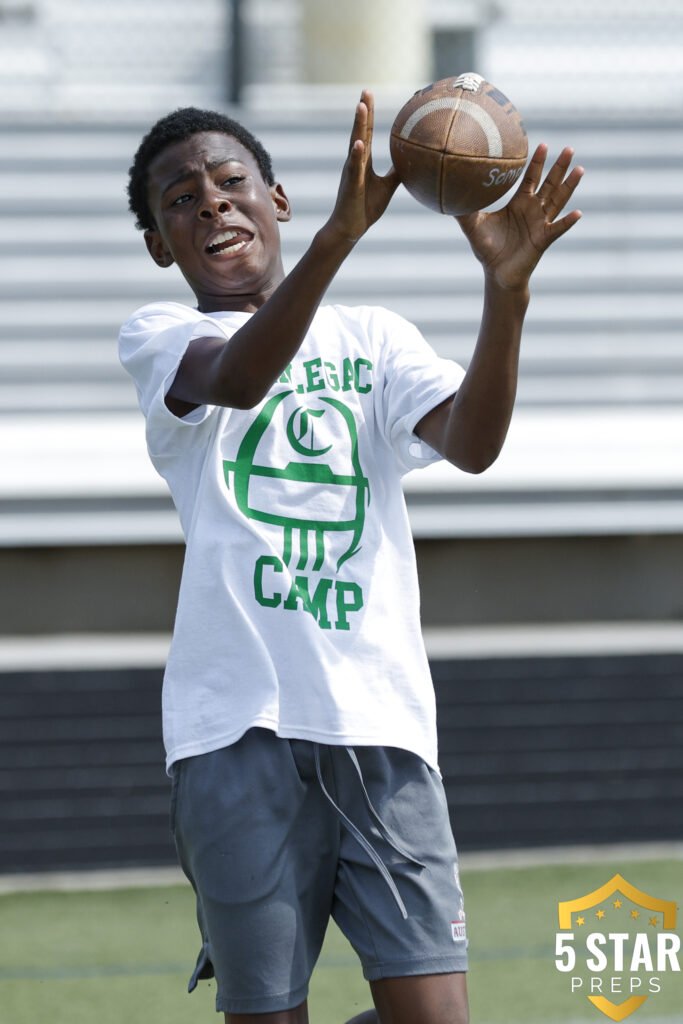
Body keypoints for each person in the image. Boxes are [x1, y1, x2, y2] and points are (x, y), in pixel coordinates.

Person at [119, 92, 583, 1024]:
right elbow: (242, 379)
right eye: (179, 198)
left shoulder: (371, 338)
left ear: (275, 201)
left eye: (230, 180)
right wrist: (340, 235)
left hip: (379, 724)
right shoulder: (162, 336)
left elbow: (473, 442)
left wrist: (508, 292)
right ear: (161, 247)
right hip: (234, 733)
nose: (210, 202)